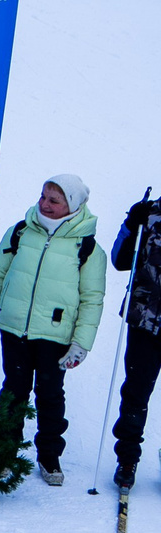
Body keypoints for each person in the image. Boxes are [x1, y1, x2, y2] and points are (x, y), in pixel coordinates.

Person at [0, 175, 104, 487]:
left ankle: (49, 455)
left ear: (72, 205)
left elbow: (92, 300)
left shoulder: (88, 248)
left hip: (55, 335)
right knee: (13, 391)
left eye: (54, 200)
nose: (44, 204)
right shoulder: (20, 231)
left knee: (50, 394)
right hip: (15, 328)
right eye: (43, 196)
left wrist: (81, 343)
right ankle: (5, 453)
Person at [107, 193, 160, 492]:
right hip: (145, 322)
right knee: (136, 392)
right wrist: (130, 223)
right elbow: (119, 260)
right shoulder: (150, 215)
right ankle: (127, 458)